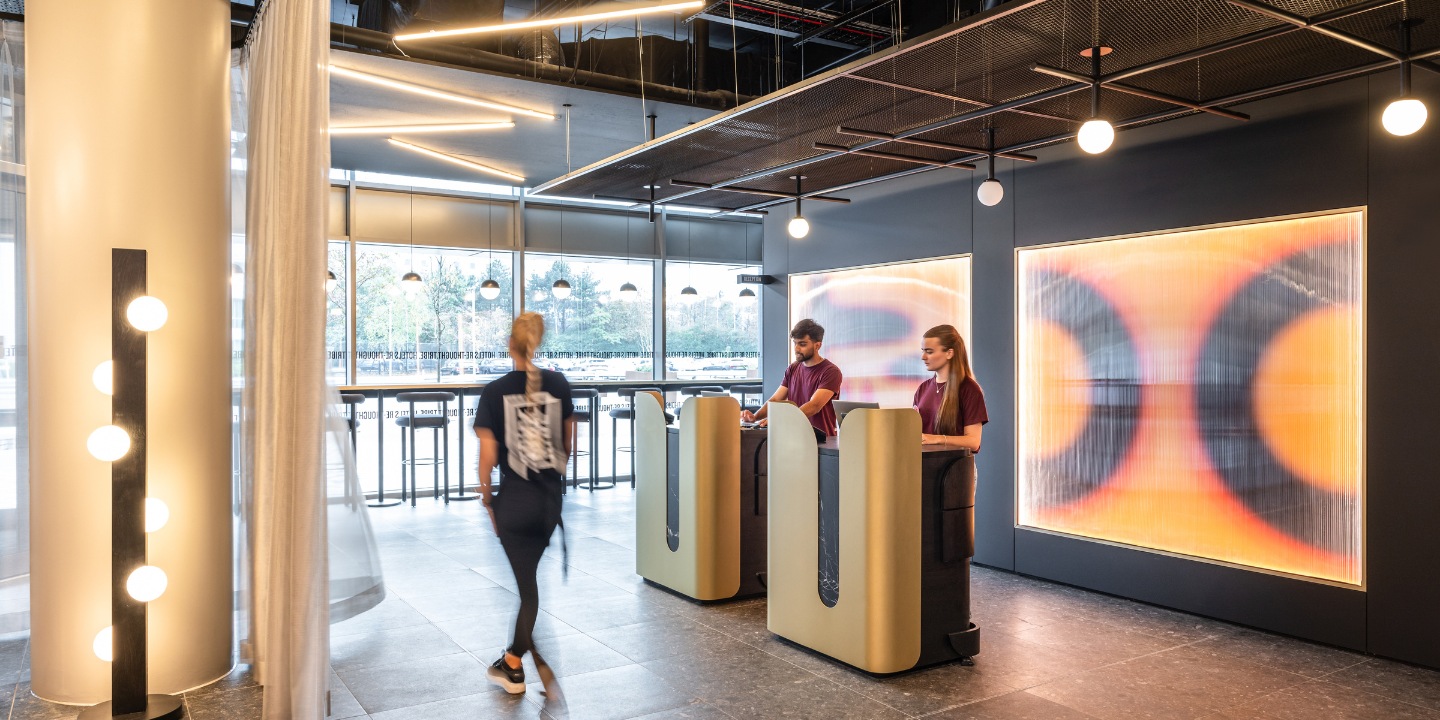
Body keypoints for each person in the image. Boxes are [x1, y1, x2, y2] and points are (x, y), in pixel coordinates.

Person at [475, 312, 573, 697]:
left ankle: (515, 664)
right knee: (529, 584)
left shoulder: (494, 391)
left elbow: (488, 457)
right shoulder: (560, 384)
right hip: (549, 505)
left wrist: (487, 499)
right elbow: (568, 448)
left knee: (528, 590)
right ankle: (513, 659)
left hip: (514, 505)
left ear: (509, 344)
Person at [741, 318, 843, 436]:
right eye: (795, 343)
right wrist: (755, 417)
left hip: (821, 441)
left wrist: (782, 420)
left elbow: (814, 405)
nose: (796, 349)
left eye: (802, 344)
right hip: (794, 438)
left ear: (817, 346)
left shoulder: (831, 372)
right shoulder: (793, 368)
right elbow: (775, 400)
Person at [914, 324, 987, 451]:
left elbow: (973, 441)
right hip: (925, 468)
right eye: (923, 351)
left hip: (955, 469)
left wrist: (936, 439)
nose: (923, 357)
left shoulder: (970, 390)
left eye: (929, 352)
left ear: (949, 353)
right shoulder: (922, 389)